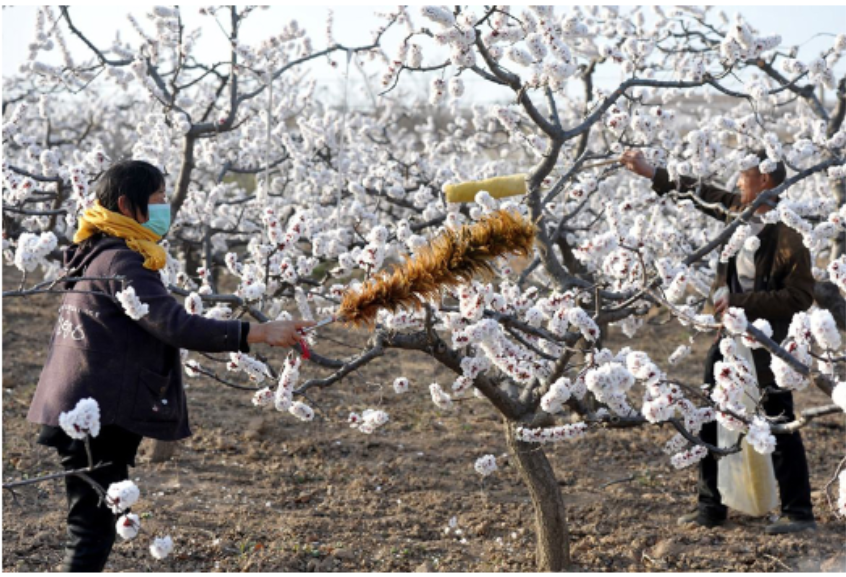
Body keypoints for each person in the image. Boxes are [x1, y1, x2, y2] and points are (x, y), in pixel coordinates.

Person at [27, 159, 315, 571]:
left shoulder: (97, 251)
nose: (166, 208)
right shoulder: (122, 260)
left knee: (93, 522)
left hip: (82, 407)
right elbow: (174, 324)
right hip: (93, 417)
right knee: (91, 530)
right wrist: (261, 332)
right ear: (128, 205)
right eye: (159, 199)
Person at [620, 149, 817, 534]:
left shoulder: (790, 232)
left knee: (777, 420)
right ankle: (710, 507)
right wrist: (651, 172)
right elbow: (701, 192)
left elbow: (800, 297)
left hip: (767, 345)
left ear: (764, 180)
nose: (737, 184)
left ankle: (800, 513)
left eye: (743, 177)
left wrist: (738, 302)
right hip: (729, 336)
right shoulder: (739, 213)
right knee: (710, 415)